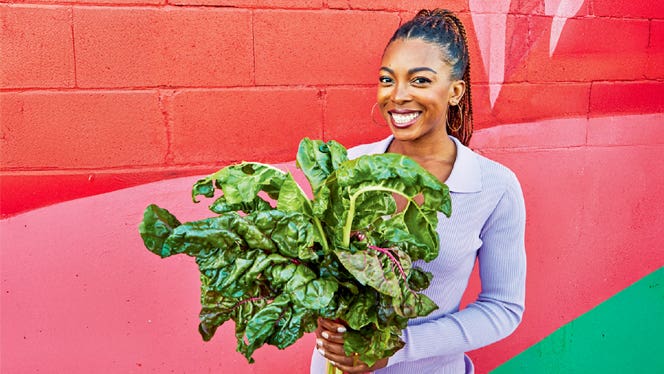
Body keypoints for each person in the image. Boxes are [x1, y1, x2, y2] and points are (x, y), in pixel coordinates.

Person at [310, 9, 527, 374]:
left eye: (420, 81)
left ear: (455, 91)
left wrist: (396, 349)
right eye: (386, 79)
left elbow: (502, 308)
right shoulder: (347, 166)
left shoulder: (494, 187)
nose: (398, 96)